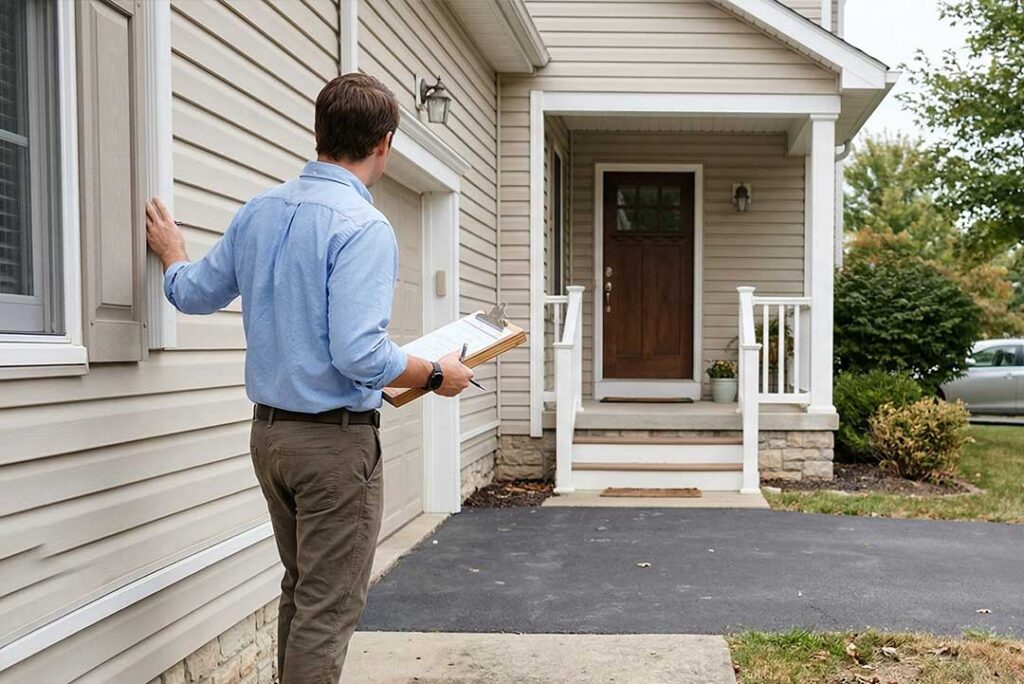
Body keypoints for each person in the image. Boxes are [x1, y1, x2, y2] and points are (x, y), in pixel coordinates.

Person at [145, 73, 474, 684]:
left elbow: (192, 294)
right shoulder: (363, 227)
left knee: (303, 590)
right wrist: (435, 373)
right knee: (328, 606)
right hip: (332, 448)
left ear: (319, 134)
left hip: (270, 440)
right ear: (385, 143)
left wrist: (172, 253)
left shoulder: (259, 213)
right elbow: (359, 353)